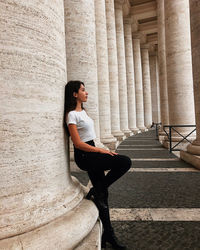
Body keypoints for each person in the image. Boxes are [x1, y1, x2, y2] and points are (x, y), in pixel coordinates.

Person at [64, 80, 131, 250]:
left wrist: (103, 149)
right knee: (125, 162)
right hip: (85, 155)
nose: (86, 93)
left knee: (103, 195)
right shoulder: (72, 115)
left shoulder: (84, 112)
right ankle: (95, 190)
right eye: (83, 90)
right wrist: (101, 152)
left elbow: (92, 138)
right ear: (74, 94)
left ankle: (108, 234)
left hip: (93, 151)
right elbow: (77, 143)